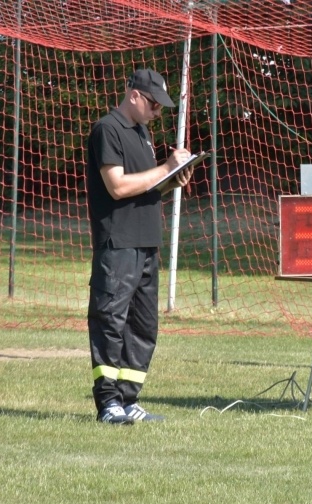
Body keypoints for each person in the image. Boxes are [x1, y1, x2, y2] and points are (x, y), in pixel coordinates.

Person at [85, 68, 193, 425]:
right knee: (110, 321)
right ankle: (109, 404)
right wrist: (164, 166)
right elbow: (117, 187)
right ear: (134, 95)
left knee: (143, 326)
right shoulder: (108, 129)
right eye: (153, 105)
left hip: (147, 243)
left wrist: (171, 179)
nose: (157, 113)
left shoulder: (142, 132)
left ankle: (129, 401)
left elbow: (145, 186)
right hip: (118, 243)